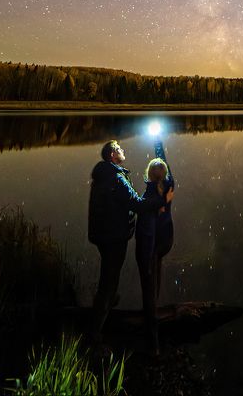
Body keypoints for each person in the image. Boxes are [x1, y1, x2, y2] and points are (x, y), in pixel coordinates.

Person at [87, 139, 174, 345]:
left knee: (109, 278)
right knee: (109, 282)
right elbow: (136, 204)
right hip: (114, 237)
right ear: (112, 156)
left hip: (104, 235)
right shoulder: (116, 178)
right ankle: (95, 332)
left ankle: (105, 310)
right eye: (119, 149)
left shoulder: (103, 176)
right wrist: (163, 200)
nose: (122, 150)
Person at [135, 139, 175, 353]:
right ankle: (156, 314)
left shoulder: (148, 195)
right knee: (157, 275)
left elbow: (146, 228)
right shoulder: (169, 188)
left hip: (151, 244)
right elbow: (169, 172)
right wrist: (158, 143)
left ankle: (153, 340)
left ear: (148, 175)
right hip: (166, 240)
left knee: (148, 286)